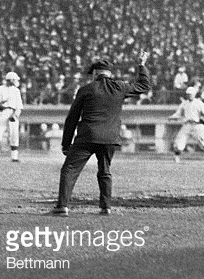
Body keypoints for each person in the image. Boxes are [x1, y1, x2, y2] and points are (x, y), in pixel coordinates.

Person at [53, 52, 151, 216]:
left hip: (87, 136)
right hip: (109, 138)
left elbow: (72, 118)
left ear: (95, 74)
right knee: (105, 171)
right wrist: (141, 64)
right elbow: (144, 85)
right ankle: (106, 207)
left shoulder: (85, 90)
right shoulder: (120, 87)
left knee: (69, 169)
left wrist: (65, 144)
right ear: (109, 74)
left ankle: (62, 206)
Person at [168, 86, 204, 164]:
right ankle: (176, 158)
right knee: (180, 140)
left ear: (194, 94)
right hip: (187, 125)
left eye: (191, 94)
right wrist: (172, 117)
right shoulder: (184, 103)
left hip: (197, 125)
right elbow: (178, 113)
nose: (189, 95)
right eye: (188, 94)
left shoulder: (199, 103)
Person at [0, 71, 23, 163]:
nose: (16, 81)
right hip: (2, 112)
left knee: (14, 135)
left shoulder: (16, 91)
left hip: (12, 112)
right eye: (15, 80)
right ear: (11, 80)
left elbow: (19, 106)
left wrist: (15, 115)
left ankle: (14, 157)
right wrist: (2, 103)